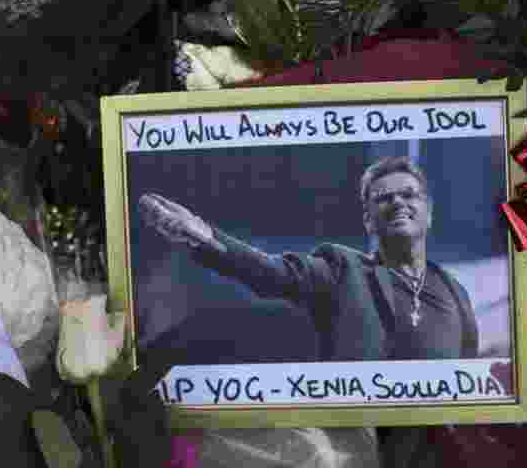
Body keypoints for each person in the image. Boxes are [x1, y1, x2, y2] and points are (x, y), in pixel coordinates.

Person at [137, 155, 479, 362]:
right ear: (368, 221)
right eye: (383, 198)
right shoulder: (343, 271)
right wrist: (204, 236)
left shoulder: (456, 294)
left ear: (429, 213)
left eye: (408, 194)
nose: (398, 203)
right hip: (354, 450)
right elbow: (272, 272)